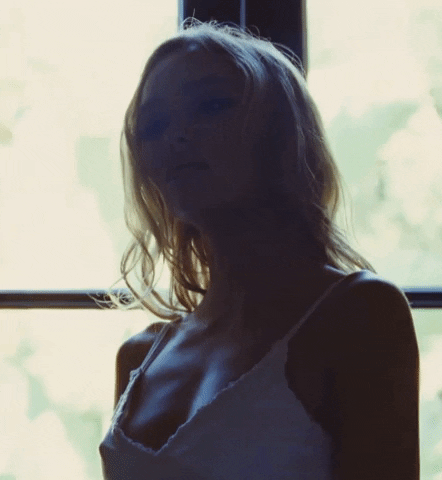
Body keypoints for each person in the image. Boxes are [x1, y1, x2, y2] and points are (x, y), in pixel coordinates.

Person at [99, 18, 420, 479]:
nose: (176, 136)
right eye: (152, 125)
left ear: (278, 131)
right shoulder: (138, 357)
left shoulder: (357, 315)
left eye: (210, 105)